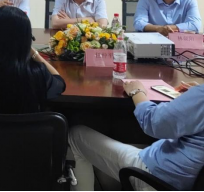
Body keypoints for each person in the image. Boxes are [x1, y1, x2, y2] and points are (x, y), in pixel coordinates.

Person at [69, 80, 204, 191]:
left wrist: (137, 91)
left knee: (76, 135)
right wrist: (196, 96)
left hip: (158, 178)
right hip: (190, 180)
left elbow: (154, 122)